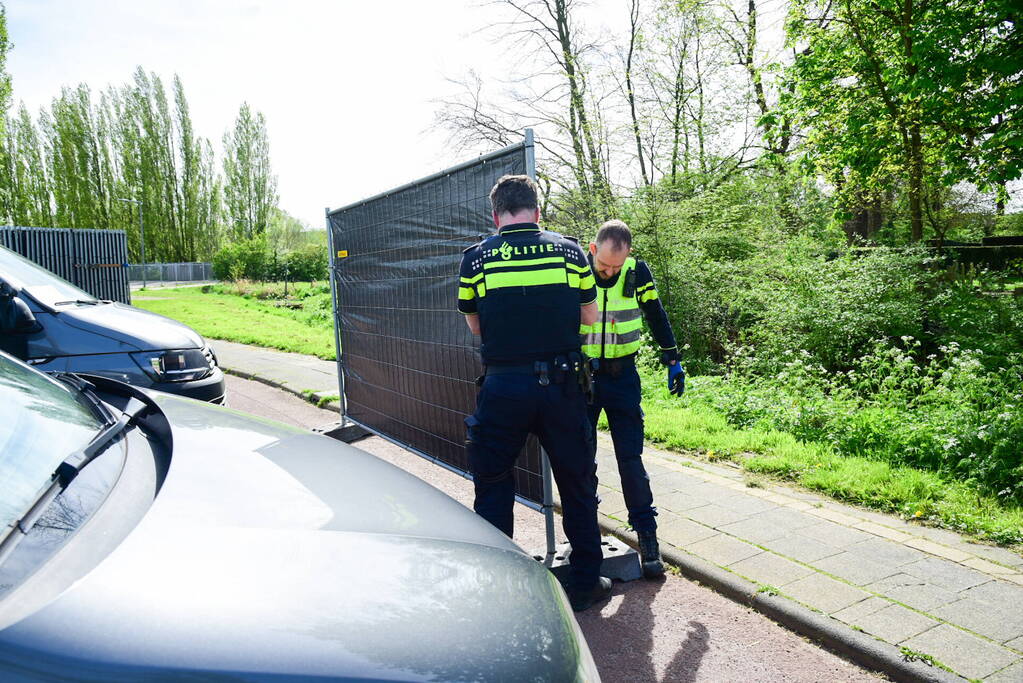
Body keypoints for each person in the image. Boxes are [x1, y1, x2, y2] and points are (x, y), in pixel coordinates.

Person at [457, 174, 612, 612]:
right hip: (562, 386)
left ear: (496, 216)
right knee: (577, 484)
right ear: (537, 211)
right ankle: (585, 583)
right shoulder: (570, 252)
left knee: (493, 484)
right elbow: (589, 318)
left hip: (504, 386)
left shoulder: (476, 259)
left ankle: (500, 590)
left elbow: (475, 325)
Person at [580, 219, 684, 579]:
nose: (610, 272)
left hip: (623, 377)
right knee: (582, 462)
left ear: (628, 256)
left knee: (631, 461)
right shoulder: (576, 270)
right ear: (593, 250)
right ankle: (587, 538)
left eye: (617, 266)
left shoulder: (637, 272)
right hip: (582, 379)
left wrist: (672, 358)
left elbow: (655, 314)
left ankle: (648, 539)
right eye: (604, 265)